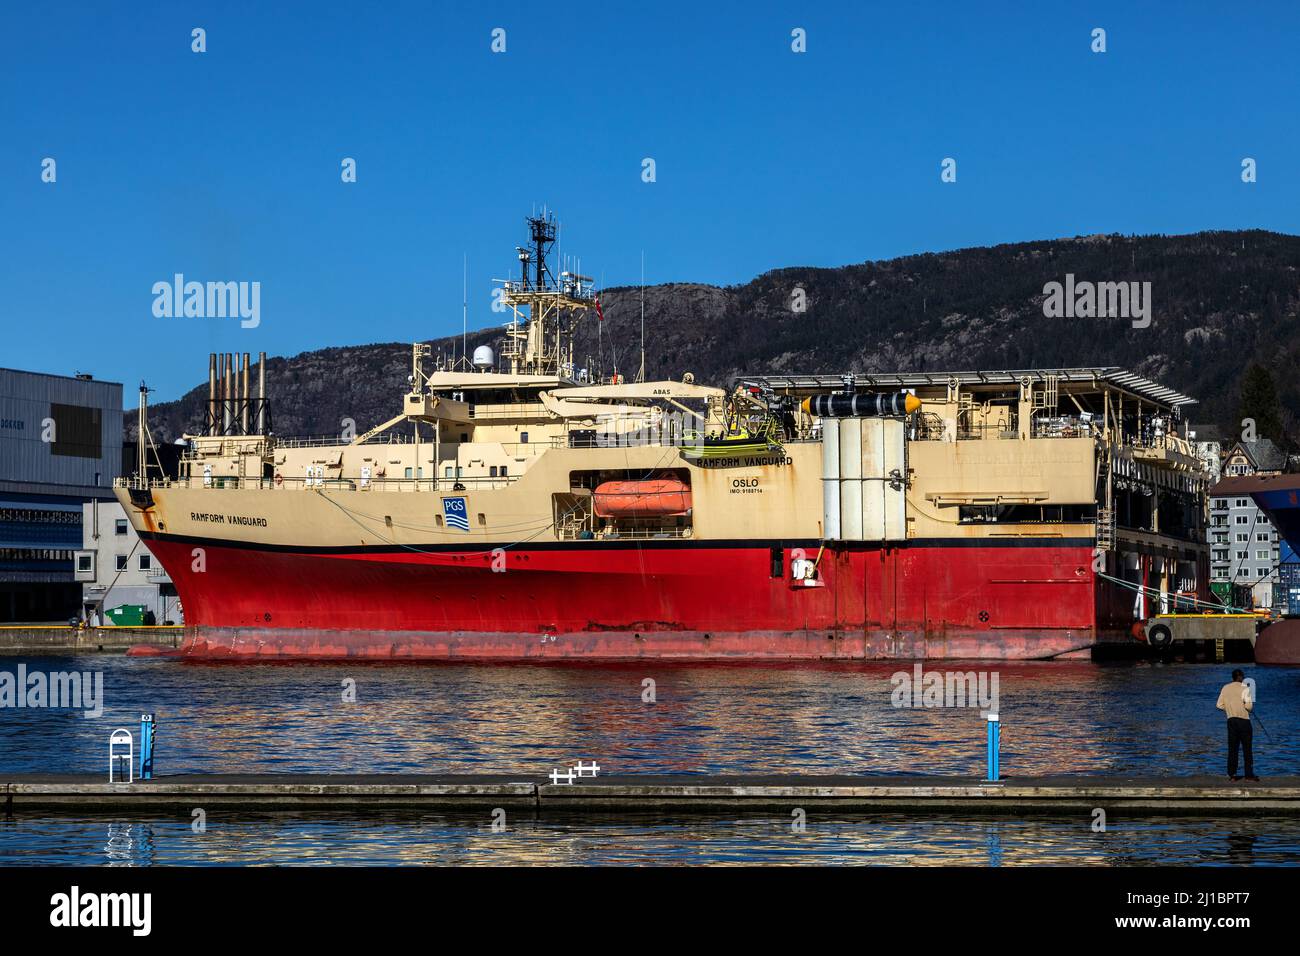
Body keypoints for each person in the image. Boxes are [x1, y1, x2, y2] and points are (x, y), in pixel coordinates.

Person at [1215, 669, 1258, 781]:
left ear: (1233, 677)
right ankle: (1248, 775)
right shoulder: (1245, 688)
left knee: (1233, 748)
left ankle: (1232, 775)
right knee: (1247, 748)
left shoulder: (1225, 688)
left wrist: (1229, 708)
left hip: (1231, 721)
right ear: (1241, 677)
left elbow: (1219, 705)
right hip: (1244, 721)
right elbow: (1248, 707)